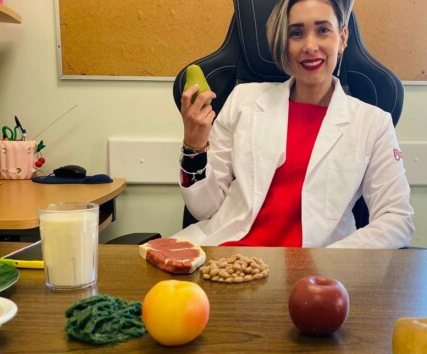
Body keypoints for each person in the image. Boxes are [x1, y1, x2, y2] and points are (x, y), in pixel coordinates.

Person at [175, 0, 414, 249]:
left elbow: (397, 218)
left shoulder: (373, 123)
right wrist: (194, 146)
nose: (310, 46)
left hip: (316, 265)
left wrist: (328, 261)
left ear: (342, 37)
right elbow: (204, 208)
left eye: (323, 30)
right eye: (296, 33)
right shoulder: (242, 100)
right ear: (283, 43)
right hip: (231, 257)